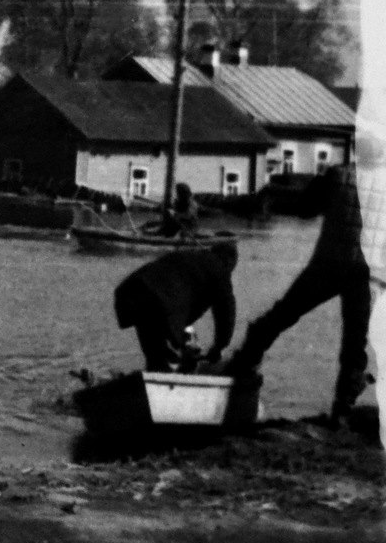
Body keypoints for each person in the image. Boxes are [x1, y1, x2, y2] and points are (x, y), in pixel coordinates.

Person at [227, 161, 371, 425]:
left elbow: (306, 210)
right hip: (363, 270)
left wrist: (275, 199)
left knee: (284, 313)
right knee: (355, 339)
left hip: (327, 263)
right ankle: (343, 408)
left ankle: (243, 364)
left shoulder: (337, 174)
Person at [113, 241, 239, 373]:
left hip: (131, 292)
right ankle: (170, 380)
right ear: (229, 260)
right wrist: (219, 347)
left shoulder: (190, 256)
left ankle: (154, 379)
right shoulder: (219, 269)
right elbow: (226, 313)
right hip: (160, 301)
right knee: (172, 352)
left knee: (156, 357)